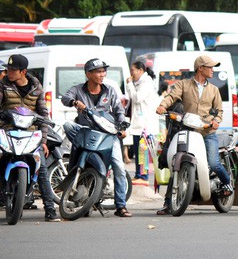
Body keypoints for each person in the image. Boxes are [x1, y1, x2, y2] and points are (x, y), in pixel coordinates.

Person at [155, 54, 233, 215]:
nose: (213, 70)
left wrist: (216, 121)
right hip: (187, 130)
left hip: (207, 132)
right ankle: (168, 203)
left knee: (213, 162)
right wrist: (162, 106)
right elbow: (171, 97)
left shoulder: (214, 90)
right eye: (210, 67)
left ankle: (226, 183)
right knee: (175, 163)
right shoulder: (183, 84)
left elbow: (219, 111)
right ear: (200, 68)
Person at [61, 58, 132, 217]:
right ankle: (80, 198)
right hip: (86, 132)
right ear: (88, 74)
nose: (102, 74)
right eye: (99, 71)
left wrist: (121, 126)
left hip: (107, 134)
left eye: (103, 71)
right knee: (67, 125)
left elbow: (119, 111)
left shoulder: (110, 91)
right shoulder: (77, 90)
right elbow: (65, 98)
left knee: (119, 168)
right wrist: (74, 102)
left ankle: (121, 206)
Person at [0, 54, 61, 221]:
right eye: (8, 69)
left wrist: (43, 141)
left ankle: (50, 210)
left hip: (31, 134)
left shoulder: (36, 88)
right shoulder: (3, 86)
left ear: (23, 72)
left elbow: (43, 114)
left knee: (41, 170)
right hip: (7, 132)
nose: (9, 72)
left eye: (13, 70)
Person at [126, 61, 159, 183]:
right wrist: (130, 85)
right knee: (137, 150)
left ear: (140, 70)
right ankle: (138, 175)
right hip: (138, 124)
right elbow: (132, 97)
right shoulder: (138, 83)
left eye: (133, 71)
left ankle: (143, 177)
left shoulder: (146, 84)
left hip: (145, 125)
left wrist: (129, 84)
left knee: (142, 151)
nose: (131, 74)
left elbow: (137, 98)